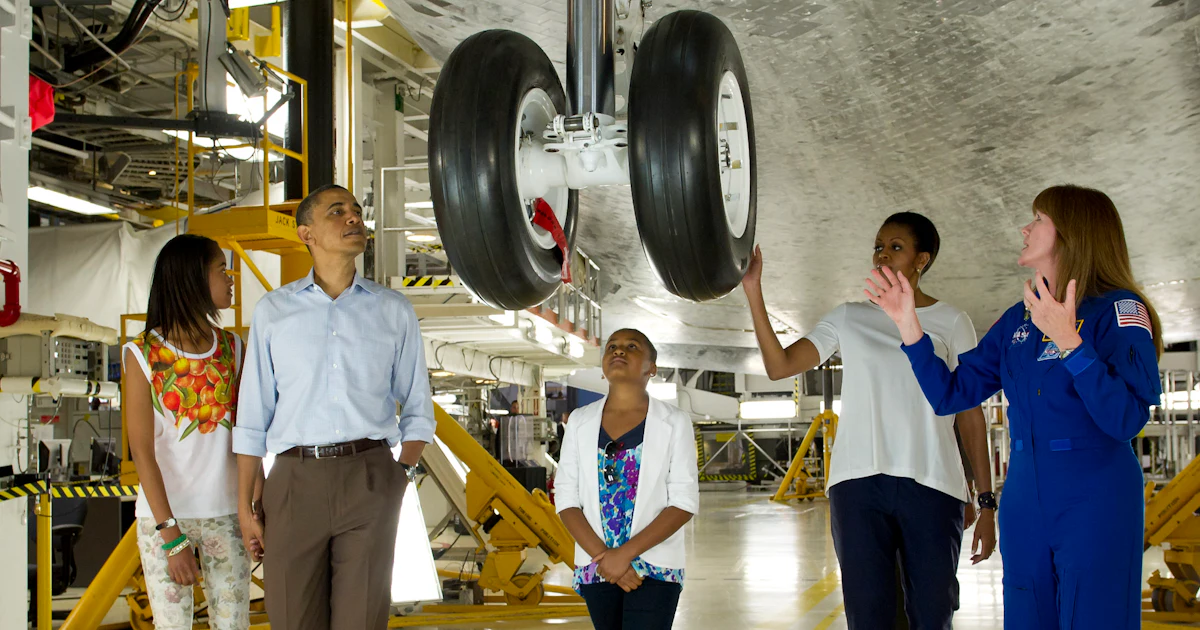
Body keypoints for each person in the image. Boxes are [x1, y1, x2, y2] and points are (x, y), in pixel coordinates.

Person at [868, 185, 1163, 629]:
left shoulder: (1118, 310)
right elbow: (951, 393)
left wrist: (1071, 343)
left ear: (1072, 232)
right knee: (1027, 615)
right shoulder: (1018, 321)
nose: (1026, 228)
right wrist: (907, 323)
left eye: (1038, 220)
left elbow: (1126, 420)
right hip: (1025, 497)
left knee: (1095, 614)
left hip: (1095, 495)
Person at [742, 212, 997, 630]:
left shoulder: (952, 321)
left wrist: (985, 501)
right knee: (868, 616)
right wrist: (754, 290)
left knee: (933, 614)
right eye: (878, 246)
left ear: (923, 259)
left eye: (896, 247)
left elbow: (970, 416)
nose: (882, 254)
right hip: (858, 485)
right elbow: (779, 366)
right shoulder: (848, 317)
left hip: (933, 485)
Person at [232, 184, 435, 630]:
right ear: (306, 234)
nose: (353, 219)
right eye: (337, 212)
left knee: (361, 620)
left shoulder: (393, 311)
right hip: (292, 480)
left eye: (357, 212)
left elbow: (419, 407)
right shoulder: (273, 312)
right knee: (292, 617)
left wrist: (400, 475)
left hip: (370, 477)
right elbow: (251, 416)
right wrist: (246, 504)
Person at [123, 234, 253, 630]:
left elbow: (248, 437)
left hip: (228, 514)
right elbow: (142, 450)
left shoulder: (233, 347)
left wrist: (252, 507)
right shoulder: (142, 353)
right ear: (193, 278)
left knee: (234, 625)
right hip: (165, 518)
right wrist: (171, 534)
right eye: (221, 269)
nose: (230, 278)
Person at [555, 329, 699, 629]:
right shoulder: (580, 421)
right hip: (597, 565)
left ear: (651, 367)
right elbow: (566, 496)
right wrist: (605, 558)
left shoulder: (674, 422)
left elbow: (683, 501)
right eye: (612, 347)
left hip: (655, 565)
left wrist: (624, 556)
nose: (619, 351)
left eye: (631, 346)